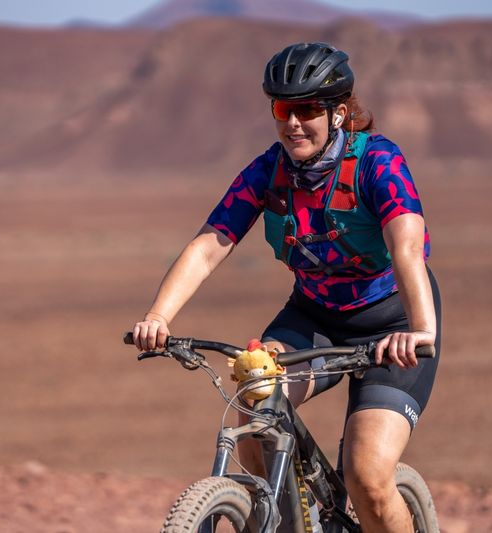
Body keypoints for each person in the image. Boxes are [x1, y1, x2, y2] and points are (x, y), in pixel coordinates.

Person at [131, 42, 440, 533]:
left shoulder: (377, 163)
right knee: (256, 400)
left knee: (367, 478)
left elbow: (406, 247)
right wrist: (158, 317)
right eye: (282, 110)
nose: (293, 123)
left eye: (307, 109)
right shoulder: (268, 171)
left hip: (393, 323)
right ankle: (294, 518)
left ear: (339, 113)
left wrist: (420, 330)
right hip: (314, 316)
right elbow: (209, 246)